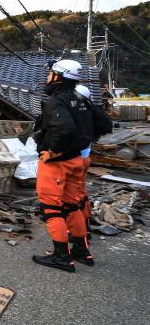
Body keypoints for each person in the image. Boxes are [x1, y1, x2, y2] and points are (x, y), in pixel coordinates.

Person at [32, 59, 93, 272]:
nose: (47, 77)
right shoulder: (80, 100)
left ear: (59, 75)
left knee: (51, 207)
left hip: (58, 163)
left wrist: (53, 151)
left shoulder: (56, 101)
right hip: (77, 159)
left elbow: (64, 128)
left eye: (50, 73)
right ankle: (81, 250)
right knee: (72, 205)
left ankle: (61, 257)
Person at [72, 84, 113, 249]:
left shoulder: (77, 112)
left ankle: (79, 233)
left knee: (71, 198)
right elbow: (107, 126)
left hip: (74, 159)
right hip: (85, 157)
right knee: (81, 194)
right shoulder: (93, 110)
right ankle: (85, 224)